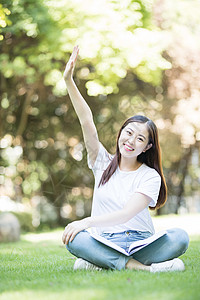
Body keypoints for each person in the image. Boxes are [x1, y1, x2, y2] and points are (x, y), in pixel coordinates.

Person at [62, 45, 189, 272]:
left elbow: (126, 214)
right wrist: (69, 81)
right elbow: (87, 122)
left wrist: (86, 221)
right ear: (121, 132)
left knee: (180, 237)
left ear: (147, 146)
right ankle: (142, 268)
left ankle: (104, 262)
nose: (131, 141)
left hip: (142, 242)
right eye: (129, 133)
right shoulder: (102, 163)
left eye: (140, 139)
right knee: (74, 238)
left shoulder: (150, 176)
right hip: (106, 240)